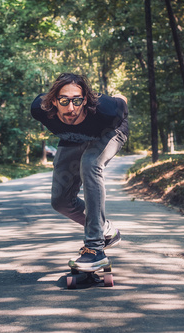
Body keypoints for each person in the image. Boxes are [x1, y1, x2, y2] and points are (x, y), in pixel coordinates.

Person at [30, 73, 129, 272]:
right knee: (60, 201)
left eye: (77, 101)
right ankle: (106, 229)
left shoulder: (107, 110)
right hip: (73, 138)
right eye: (64, 101)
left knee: (90, 164)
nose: (71, 108)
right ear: (54, 101)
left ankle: (95, 248)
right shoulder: (39, 109)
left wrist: (119, 96)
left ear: (85, 100)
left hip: (109, 132)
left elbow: (122, 103)